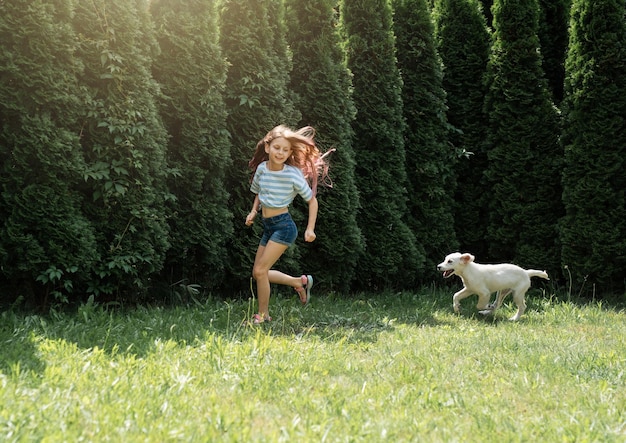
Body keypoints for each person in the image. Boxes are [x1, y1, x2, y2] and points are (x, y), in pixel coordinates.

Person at [245, 124, 332, 324]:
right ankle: (298, 282)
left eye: (285, 150)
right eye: (277, 148)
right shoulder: (261, 169)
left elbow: (312, 200)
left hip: (284, 227)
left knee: (260, 272)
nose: (280, 153)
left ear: (290, 152)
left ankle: (263, 315)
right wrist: (253, 211)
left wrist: (310, 228)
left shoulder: (292, 174)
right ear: (267, 148)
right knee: (258, 272)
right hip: (268, 226)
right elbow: (259, 192)